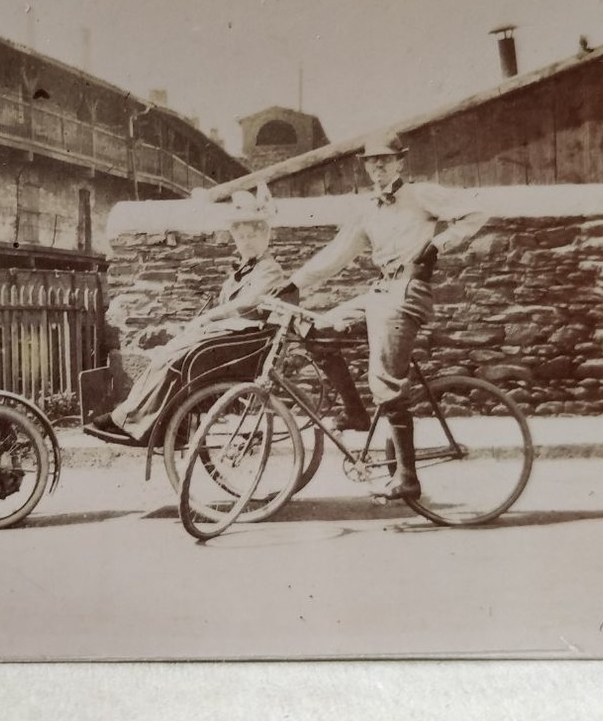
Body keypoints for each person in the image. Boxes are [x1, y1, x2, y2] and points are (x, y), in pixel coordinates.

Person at [287, 131, 487, 501]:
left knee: (385, 379)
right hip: (380, 291)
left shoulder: (420, 193)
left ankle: (407, 477)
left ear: (399, 162)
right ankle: (355, 413)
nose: (377, 166)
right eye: (371, 161)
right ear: (365, 167)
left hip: (408, 292)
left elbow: (476, 211)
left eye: (384, 159)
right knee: (314, 330)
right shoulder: (367, 209)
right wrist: (293, 284)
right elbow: (337, 254)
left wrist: (437, 245)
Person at [84, 184, 291, 447]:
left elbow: (247, 303)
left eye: (252, 236)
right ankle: (147, 420)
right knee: (168, 354)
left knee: (175, 357)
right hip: (231, 334)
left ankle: (133, 419)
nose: (246, 242)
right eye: (241, 237)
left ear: (265, 236)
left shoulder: (269, 269)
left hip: (244, 341)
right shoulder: (245, 269)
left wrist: (208, 318)